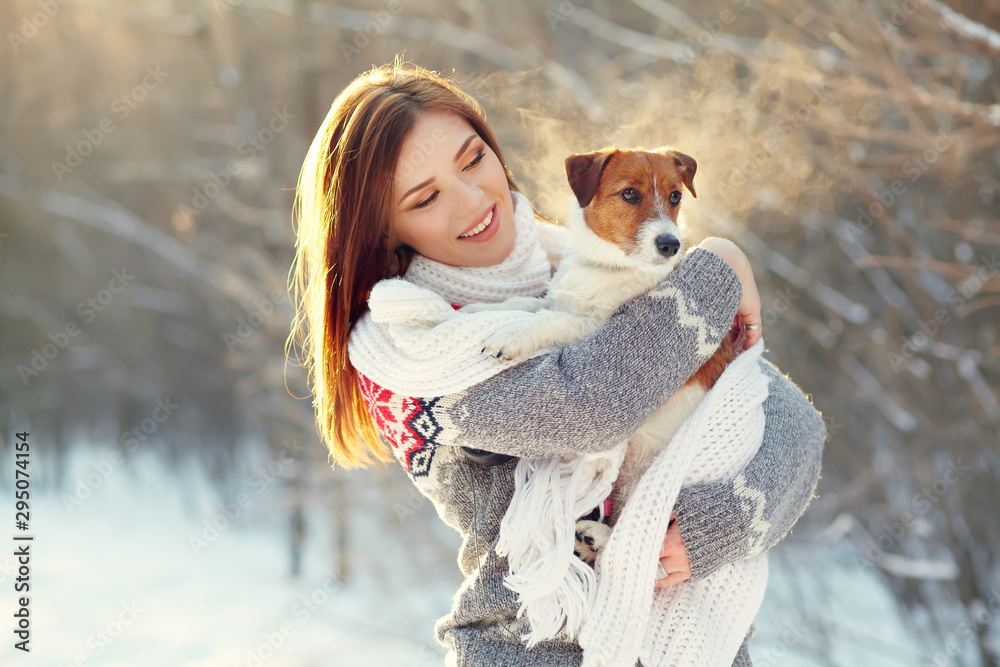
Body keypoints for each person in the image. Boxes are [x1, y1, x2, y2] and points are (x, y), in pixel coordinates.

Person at [287, 59, 826, 667]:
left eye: (472, 160)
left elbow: (792, 427)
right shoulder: (415, 353)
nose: (471, 199)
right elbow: (595, 403)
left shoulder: (583, 265)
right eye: (427, 196)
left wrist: (712, 527)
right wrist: (722, 266)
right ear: (382, 232)